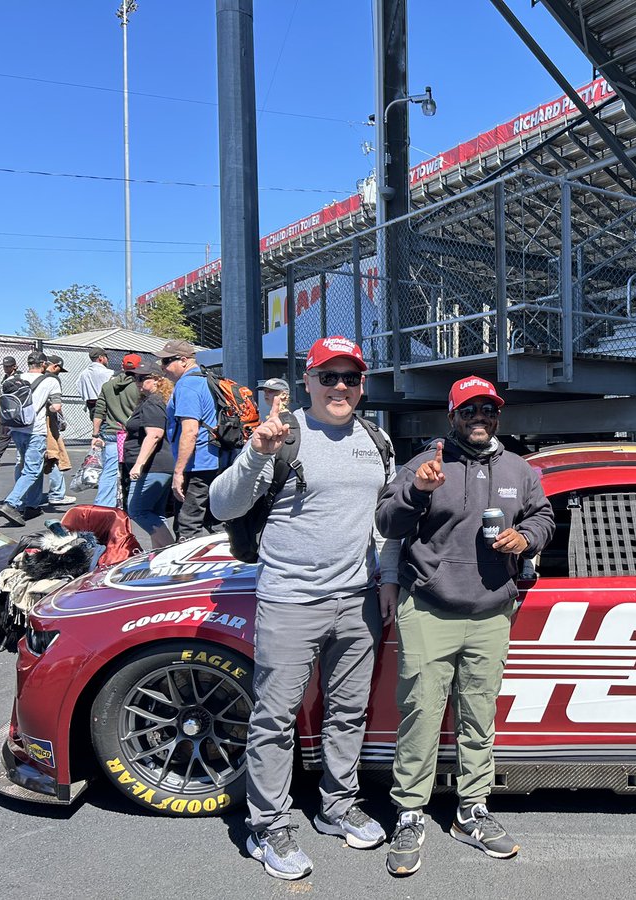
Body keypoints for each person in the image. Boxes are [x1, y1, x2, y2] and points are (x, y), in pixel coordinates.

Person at [209, 336, 399, 881]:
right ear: (307, 381)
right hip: (291, 599)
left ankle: (337, 807)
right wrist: (256, 452)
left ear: (362, 384)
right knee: (274, 717)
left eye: (351, 378)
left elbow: (386, 522)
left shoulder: (376, 438)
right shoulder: (282, 434)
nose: (340, 387)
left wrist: (386, 579)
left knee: (348, 713)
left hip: (357, 600)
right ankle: (266, 825)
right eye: (329, 376)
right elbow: (224, 504)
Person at [376, 374, 555, 878]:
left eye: (488, 410)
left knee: (480, 717)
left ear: (498, 415)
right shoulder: (426, 461)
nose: (480, 418)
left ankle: (472, 810)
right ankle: (410, 813)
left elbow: (544, 516)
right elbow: (387, 521)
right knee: (421, 716)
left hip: (491, 611)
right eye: (470, 411)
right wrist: (416, 490)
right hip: (430, 606)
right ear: (452, 416)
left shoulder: (520, 469)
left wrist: (527, 539)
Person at [160, 339, 222, 540]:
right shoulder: (206, 378)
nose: (163, 368)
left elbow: (190, 431)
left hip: (196, 465)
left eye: (167, 361)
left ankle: (188, 571)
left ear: (184, 360)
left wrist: (178, 472)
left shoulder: (187, 385)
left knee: (187, 525)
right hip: (213, 459)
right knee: (214, 520)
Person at [0, 352, 63, 527]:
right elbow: (56, 407)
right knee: (32, 470)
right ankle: (11, 503)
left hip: (16, 428)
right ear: (43, 364)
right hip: (35, 430)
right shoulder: (50, 381)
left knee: (32, 466)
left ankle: (32, 504)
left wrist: (1, 422)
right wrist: (46, 404)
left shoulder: (13, 379)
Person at [125, 363, 176, 548]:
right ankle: (159, 558)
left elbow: (154, 434)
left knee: (138, 510)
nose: (137, 382)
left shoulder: (153, 402)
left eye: (142, 378)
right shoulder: (157, 400)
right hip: (161, 465)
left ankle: (172, 552)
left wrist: (139, 464)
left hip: (154, 466)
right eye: (135, 378)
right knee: (156, 513)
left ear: (157, 379)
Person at [91, 353, 142, 508]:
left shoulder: (107, 386)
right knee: (137, 470)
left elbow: (99, 411)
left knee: (110, 472)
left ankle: (102, 505)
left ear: (122, 366)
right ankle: (134, 504)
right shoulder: (140, 387)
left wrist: (95, 434)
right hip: (135, 435)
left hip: (113, 433)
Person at [43, 355, 76, 507]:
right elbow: (56, 405)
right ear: (55, 366)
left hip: (31, 424)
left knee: (31, 459)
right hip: (49, 422)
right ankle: (57, 493)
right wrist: (61, 420)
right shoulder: (53, 380)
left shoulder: (33, 377)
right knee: (55, 455)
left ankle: (30, 496)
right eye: (59, 370)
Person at [77, 347, 113, 414]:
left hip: (92, 408)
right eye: (106, 356)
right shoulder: (109, 373)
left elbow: (79, 388)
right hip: (107, 408)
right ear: (101, 357)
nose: (108, 359)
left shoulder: (83, 374)